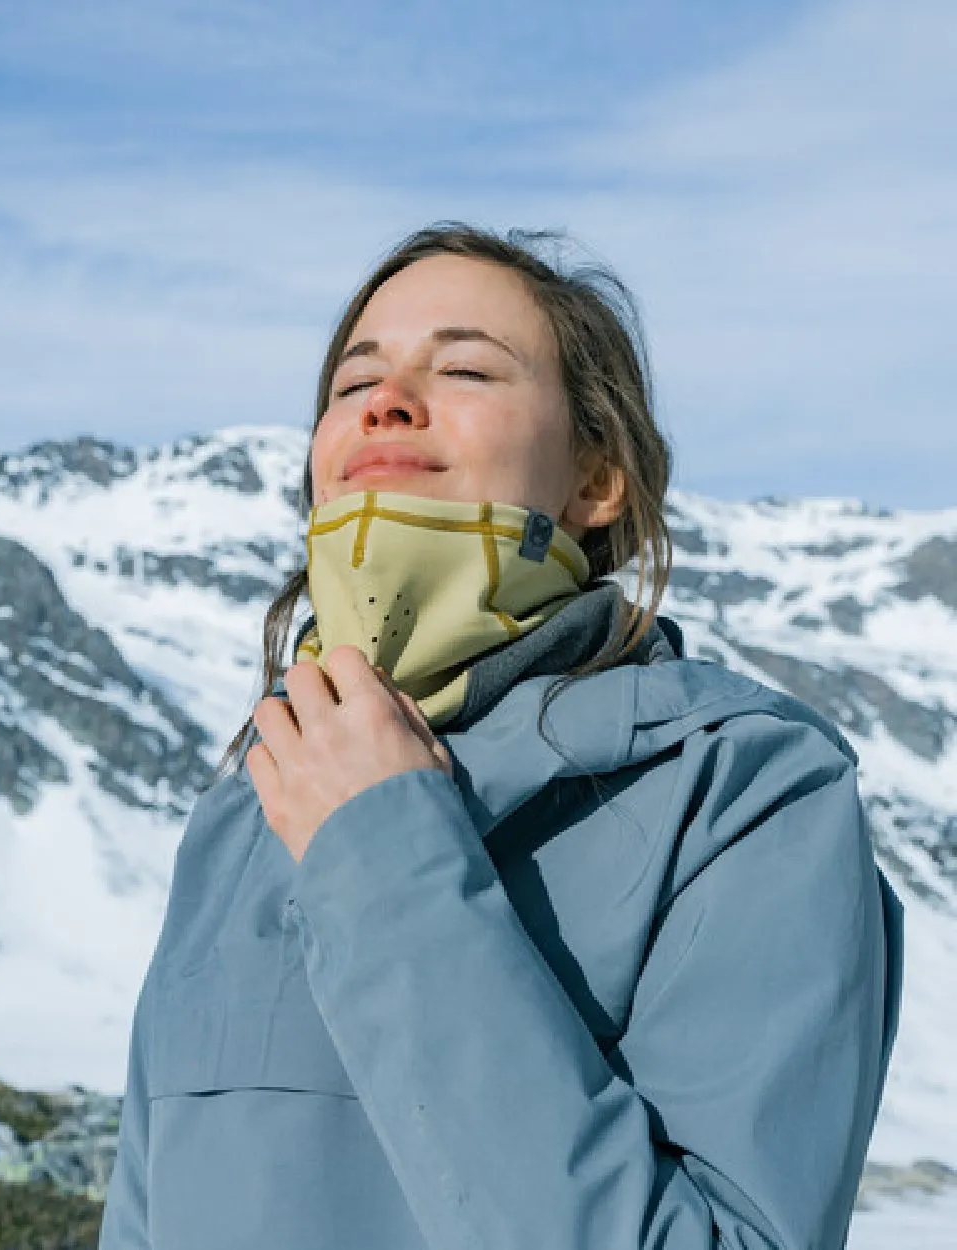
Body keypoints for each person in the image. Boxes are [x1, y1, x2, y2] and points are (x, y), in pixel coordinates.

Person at [98, 222, 903, 1250]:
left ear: (596, 481)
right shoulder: (247, 803)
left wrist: (387, 860)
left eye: (466, 366)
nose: (386, 400)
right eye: (353, 384)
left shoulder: (740, 786)